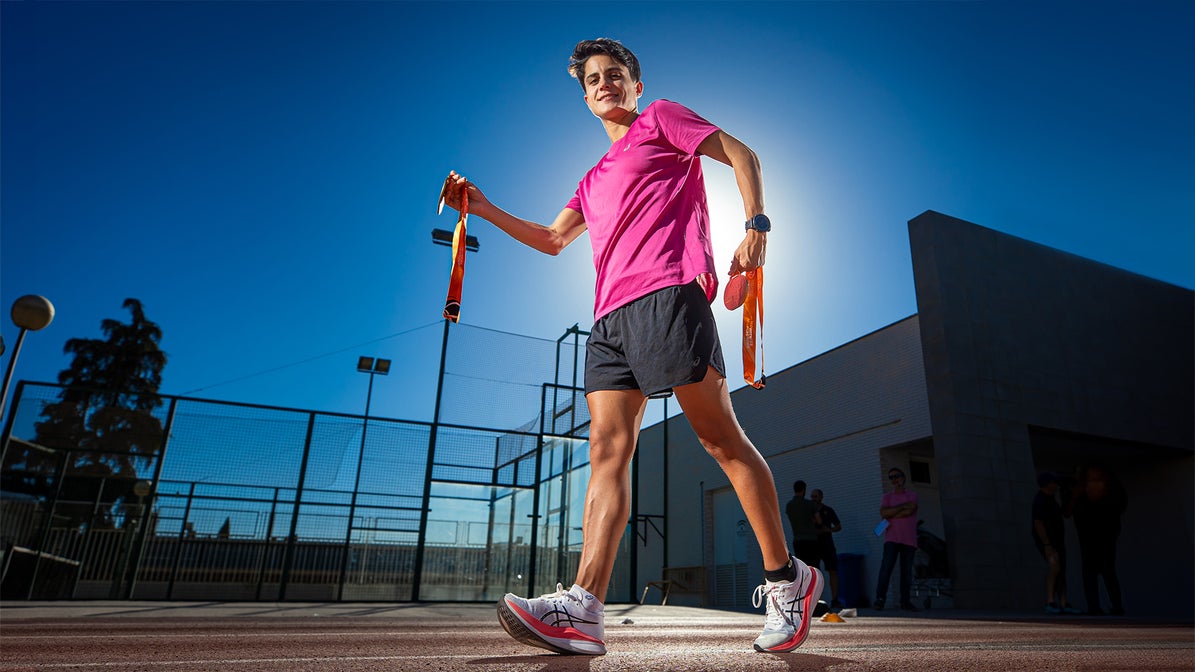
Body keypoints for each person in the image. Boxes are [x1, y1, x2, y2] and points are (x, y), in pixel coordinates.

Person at [441, 38, 822, 655]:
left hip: (671, 294)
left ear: (635, 85)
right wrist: (480, 207)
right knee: (606, 452)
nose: (603, 85)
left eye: (614, 75)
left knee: (720, 439)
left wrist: (755, 226)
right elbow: (550, 238)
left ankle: (789, 580)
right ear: (585, 97)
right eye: (592, 80)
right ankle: (584, 606)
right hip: (610, 320)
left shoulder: (662, 118)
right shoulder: (591, 178)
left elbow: (741, 152)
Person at [1068, 462, 1127, 615]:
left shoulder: (1112, 492)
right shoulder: (1079, 493)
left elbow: (1119, 507)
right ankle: (1095, 607)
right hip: (1088, 538)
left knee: (1106, 572)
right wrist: (1075, 496)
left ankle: (1115, 606)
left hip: (1104, 536)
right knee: (1091, 574)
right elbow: (1067, 511)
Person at [1031, 472, 1082, 614]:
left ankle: (1064, 603)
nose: (1056, 485)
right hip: (1048, 541)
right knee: (1054, 568)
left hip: (1058, 539)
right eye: (1053, 482)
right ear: (1047, 485)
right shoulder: (1040, 500)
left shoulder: (1051, 498)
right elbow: (1038, 523)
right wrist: (1046, 545)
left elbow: (1064, 480)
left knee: (1061, 569)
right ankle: (1050, 601)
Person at [873, 467, 919, 611]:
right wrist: (900, 510)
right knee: (886, 569)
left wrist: (891, 513)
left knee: (906, 571)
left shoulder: (912, 495)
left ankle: (905, 601)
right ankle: (880, 599)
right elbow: (883, 513)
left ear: (903, 477)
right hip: (892, 539)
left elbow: (910, 509)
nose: (894, 479)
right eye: (891, 477)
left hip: (909, 539)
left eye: (897, 476)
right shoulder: (887, 497)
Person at [810, 488, 843, 610]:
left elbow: (839, 526)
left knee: (832, 570)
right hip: (814, 544)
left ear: (821, 497)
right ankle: (815, 601)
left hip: (827, 544)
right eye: (812, 496)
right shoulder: (809, 511)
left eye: (816, 496)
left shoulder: (828, 511)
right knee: (814, 574)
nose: (813, 499)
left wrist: (829, 530)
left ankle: (835, 599)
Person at [786, 481, 821, 569]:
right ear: (804, 490)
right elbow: (819, 521)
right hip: (811, 539)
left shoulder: (790, 505)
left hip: (798, 539)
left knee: (802, 567)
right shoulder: (810, 504)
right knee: (814, 566)